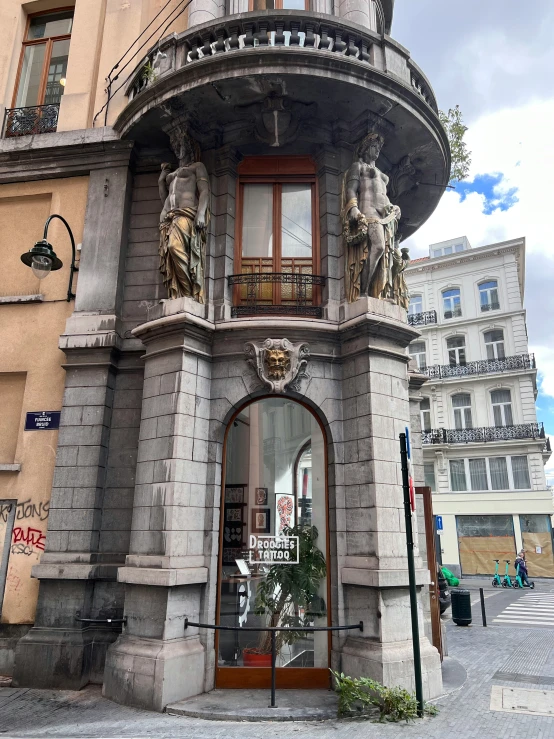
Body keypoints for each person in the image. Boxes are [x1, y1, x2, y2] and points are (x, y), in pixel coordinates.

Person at [343, 132, 402, 304]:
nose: (377, 150)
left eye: (379, 148)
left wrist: (395, 207)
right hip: (368, 213)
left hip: (385, 216)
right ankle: (364, 291)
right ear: (365, 148)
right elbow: (351, 189)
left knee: (387, 255)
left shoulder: (383, 175)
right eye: (374, 147)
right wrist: (353, 207)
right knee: (378, 248)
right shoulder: (358, 166)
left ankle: (380, 293)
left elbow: (384, 196)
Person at [158, 126, 210, 302]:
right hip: (169, 218)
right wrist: (160, 182)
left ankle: (187, 293)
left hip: (186, 215)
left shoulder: (197, 167)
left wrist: (201, 214)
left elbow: (204, 192)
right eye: (175, 144)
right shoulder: (170, 175)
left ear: (189, 147)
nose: (178, 147)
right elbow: (165, 199)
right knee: (170, 258)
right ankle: (178, 295)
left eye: (181, 143)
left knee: (174, 248)